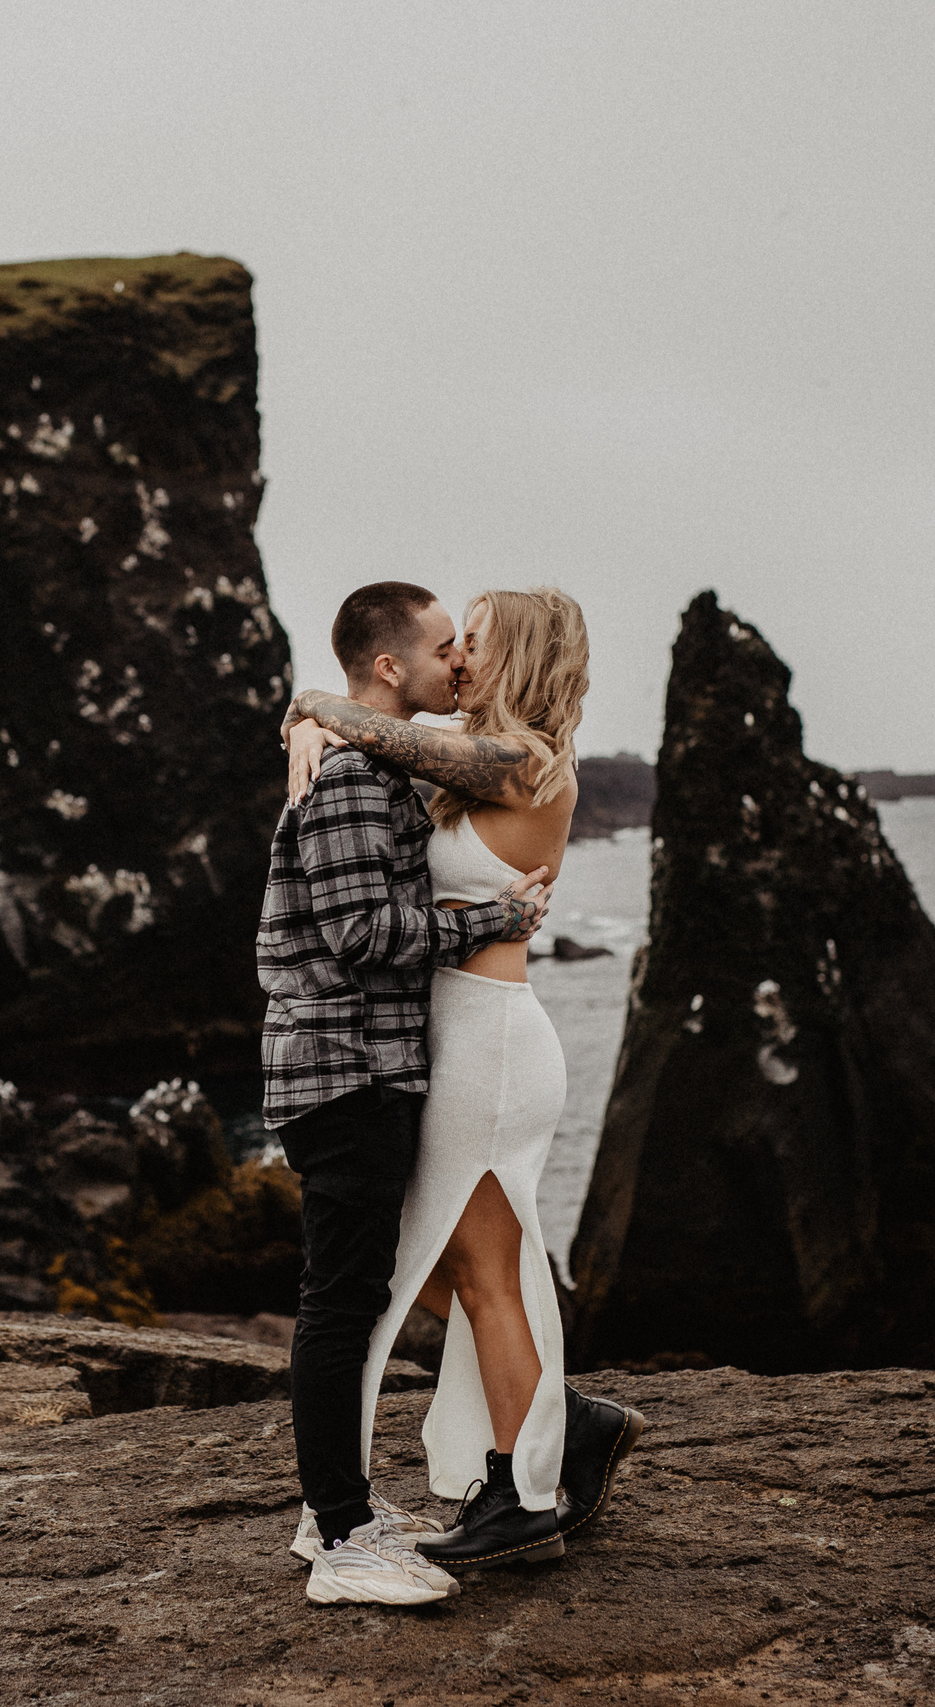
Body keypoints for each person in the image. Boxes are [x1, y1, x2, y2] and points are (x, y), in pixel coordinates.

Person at [281, 585, 644, 1578]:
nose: (459, 660)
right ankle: (563, 1419)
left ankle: (523, 1493)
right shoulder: (464, 770)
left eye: (474, 644)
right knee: (442, 1261)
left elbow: (381, 733)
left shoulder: (519, 761)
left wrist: (314, 707)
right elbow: (388, 753)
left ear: (516, 655)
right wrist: (304, 718)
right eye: (452, 644)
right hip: (455, 1043)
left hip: (488, 1045)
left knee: (480, 1271)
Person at [255, 582, 552, 1607]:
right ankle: (337, 1538)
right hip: (343, 1073)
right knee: (338, 1304)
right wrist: (491, 922)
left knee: (359, 1289)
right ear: (389, 668)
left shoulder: (379, 768)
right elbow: (363, 938)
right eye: (440, 648)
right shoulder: (347, 782)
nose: (456, 665)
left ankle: (343, 1513)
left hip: (371, 1070)